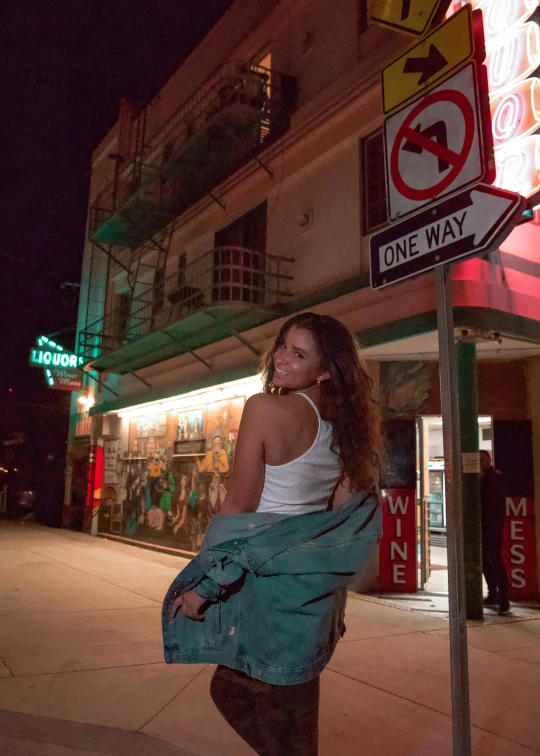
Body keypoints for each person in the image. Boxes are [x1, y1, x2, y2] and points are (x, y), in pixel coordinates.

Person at [163, 312, 381, 756]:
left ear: (323, 370)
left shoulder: (263, 408)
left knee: (247, 702)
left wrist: (202, 585)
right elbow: (334, 519)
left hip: (265, 592)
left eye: (298, 354)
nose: (281, 357)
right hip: (312, 599)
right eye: (283, 345)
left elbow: (239, 506)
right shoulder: (347, 429)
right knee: (286, 716)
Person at [480, 450, 510, 615]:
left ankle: (504, 599)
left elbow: (492, 501)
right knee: (485, 560)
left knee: (495, 560)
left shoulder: (496, 477)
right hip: (484, 526)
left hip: (493, 526)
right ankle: (492, 593)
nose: (480, 463)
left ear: (489, 460)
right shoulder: (479, 478)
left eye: (482, 459)